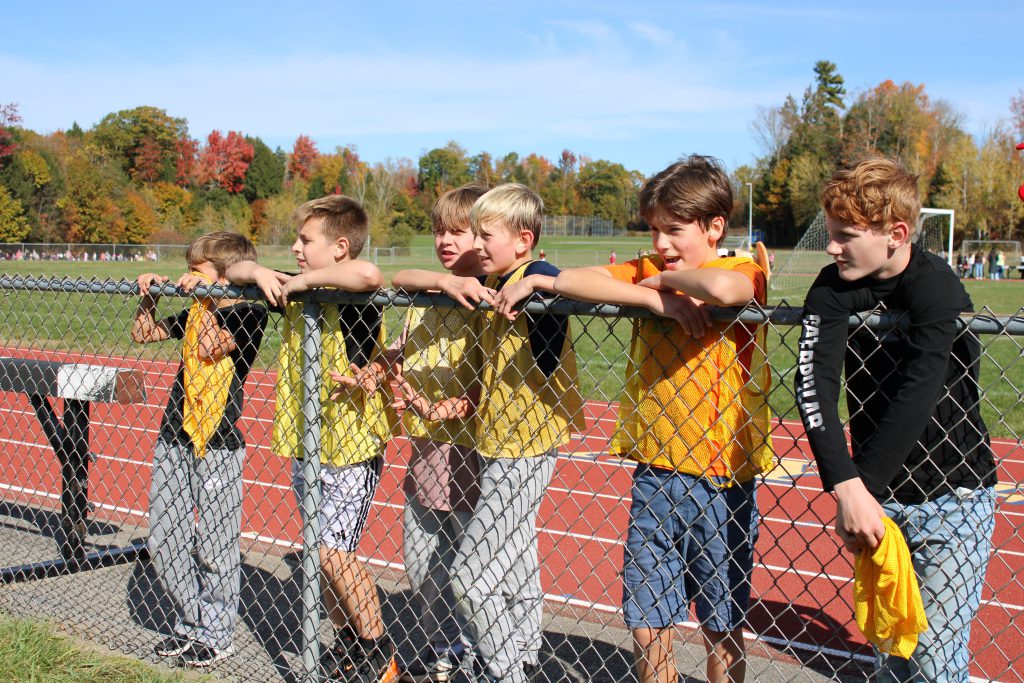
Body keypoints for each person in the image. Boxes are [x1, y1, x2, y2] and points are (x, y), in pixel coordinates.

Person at [499, 156, 772, 683]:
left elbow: (726, 294)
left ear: (715, 227)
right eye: (654, 230)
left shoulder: (740, 267)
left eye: (675, 229)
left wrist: (665, 279)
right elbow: (570, 279)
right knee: (648, 623)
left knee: (721, 621)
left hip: (721, 479)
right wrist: (659, 300)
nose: (662, 242)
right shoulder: (648, 272)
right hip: (655, 472)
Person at [795, 158, 997, 682]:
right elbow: (813, 385)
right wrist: (848, 487)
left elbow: (920, 390)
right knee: (889, 651)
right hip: (879, 502)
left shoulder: (936, 286)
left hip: (952, 495)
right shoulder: (832, 286)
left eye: (845, 236)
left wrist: (863, 486)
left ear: (896, 234)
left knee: (933, 658)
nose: (831, 247)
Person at [227, 195, 400, 683]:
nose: (297, 250)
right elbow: (235, 267)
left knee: (333, 552)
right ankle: (349, 644)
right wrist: (261, 274)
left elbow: (369, 275)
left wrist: (304, 281)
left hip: (351, 446)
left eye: (307, 241)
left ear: (340, 246)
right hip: (308, 441)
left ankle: (378, 652)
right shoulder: (294, 284)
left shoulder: (349, 290)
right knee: (319, 555)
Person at [132, 231, 269, 668]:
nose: (188, 277)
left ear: (226, 275)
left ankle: (217, 631)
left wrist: (208, 300)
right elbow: (143, 333)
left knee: (214, 544)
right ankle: (192, 623)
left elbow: (211, 348)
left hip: (219, 442)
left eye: (198, 270)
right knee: (164, 536)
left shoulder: (250, 312)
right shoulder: (195, 310)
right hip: (175, 433)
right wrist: (151, 294)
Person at [389, 183, 489, 683]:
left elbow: (490, 384)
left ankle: (477, 653)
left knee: (472, 566)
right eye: (439, 231)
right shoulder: (425, 294)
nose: (445, 240)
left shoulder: (488, 299)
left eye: (459, 231)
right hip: (426, 451)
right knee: (422, 561)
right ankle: (440, 646)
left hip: (471, 451)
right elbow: (399, 281)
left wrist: (447, 405)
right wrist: (378, 369)